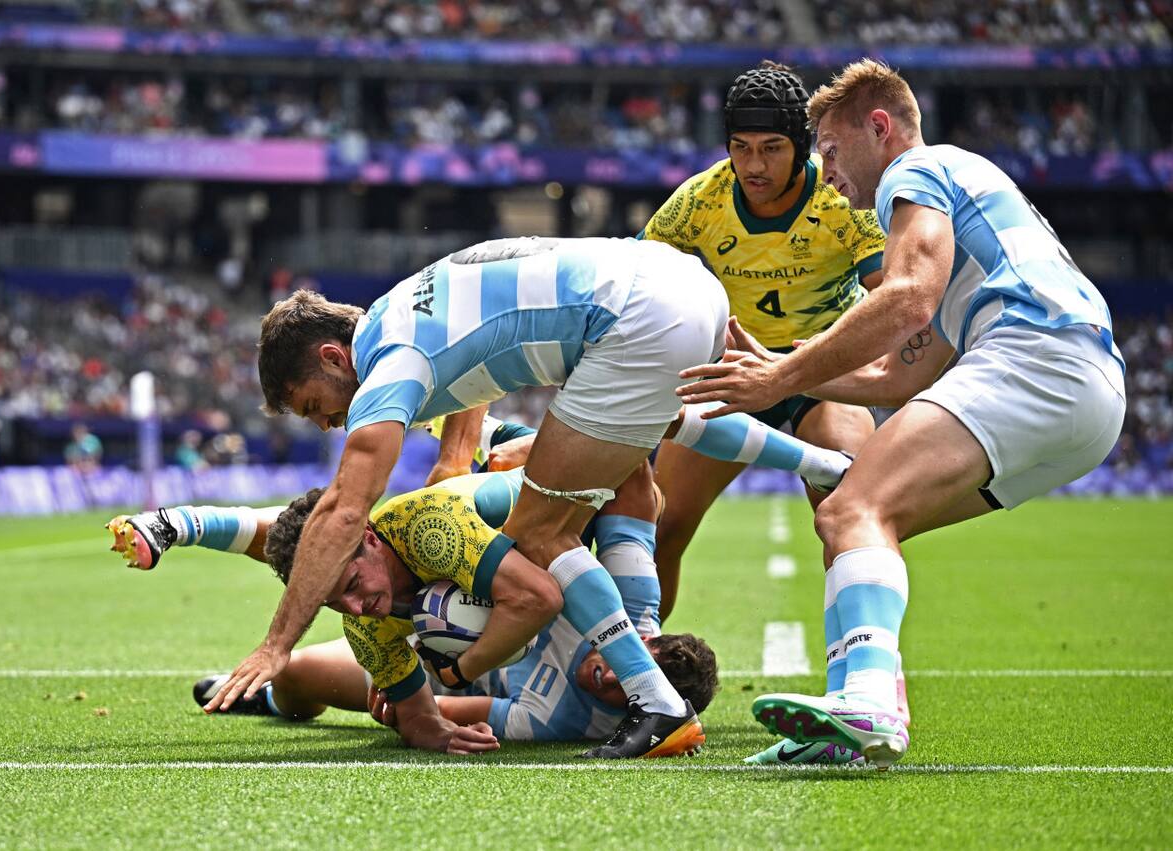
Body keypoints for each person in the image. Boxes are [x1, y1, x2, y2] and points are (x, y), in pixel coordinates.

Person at [205, 234, 849, 759]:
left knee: (541, 530)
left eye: (314, 406)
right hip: (685, 286)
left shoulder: (386, 369)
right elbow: (476, 369)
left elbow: (345, 509)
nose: (327, 425)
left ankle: (657, 703)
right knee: (646, 435)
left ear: (332, 357)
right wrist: (456, 459)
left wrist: (278, 643)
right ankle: (827, 465)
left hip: (633, 319)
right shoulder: (404, 313)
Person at [677, 59, 1126, 769]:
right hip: (1091, 398)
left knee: (851, 507)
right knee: (862, 521)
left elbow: (909, 295)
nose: (826, 172)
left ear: (879, 127)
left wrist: (781, 377)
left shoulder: (913, 171)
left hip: (1034, 357)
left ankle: (868, 701)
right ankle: (854, 721)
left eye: (830, 150)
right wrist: (780, 370)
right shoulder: (967, 202)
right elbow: (899, 375)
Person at [107, 462, 720, 747]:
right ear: (647, 642)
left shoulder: (566, 720)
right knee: (297, 647)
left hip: (452, 650)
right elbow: (631, 480)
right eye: (337, 601)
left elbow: (438, 709)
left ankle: (265, 686)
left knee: (297, 665)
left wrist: (424, 704)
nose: (356, 609)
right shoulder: (630, 606)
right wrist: (549, 457)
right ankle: (184, 523)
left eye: (352, 588)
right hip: (457, 592)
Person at [639, 62, 886, 627]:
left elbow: (890, 295)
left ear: (802, 146)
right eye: (740, 148)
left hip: (820, 377)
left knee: (849, 515)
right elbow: (635, 281)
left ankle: (867, 668)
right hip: (731, 376)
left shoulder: (841, 197)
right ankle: (640, 669)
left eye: (772, 148)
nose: (753, 166)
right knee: (658, 529)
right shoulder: (699, 200)